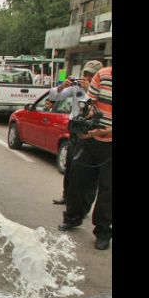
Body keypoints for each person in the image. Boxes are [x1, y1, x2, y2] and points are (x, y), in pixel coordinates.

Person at [58, 65, 112, 250]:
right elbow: (90, 101)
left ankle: (103, 231)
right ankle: (73, 217)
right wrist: (87, 116)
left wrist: (108, 130)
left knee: (108, 190)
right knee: (78, 179)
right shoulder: (103, 75)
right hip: (90, 140)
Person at [47, 60, 103, 206]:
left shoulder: (102, 90)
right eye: (86, 74)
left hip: (91, 132)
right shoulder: (76, 87)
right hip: (74, 129)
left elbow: (97, 108)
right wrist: (62, 86)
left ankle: (81, 203)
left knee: (85, 170)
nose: (87, 77)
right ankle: (66, 196)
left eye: (91, 75)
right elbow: (55, 96)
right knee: (70, 164)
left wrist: (90, 89)